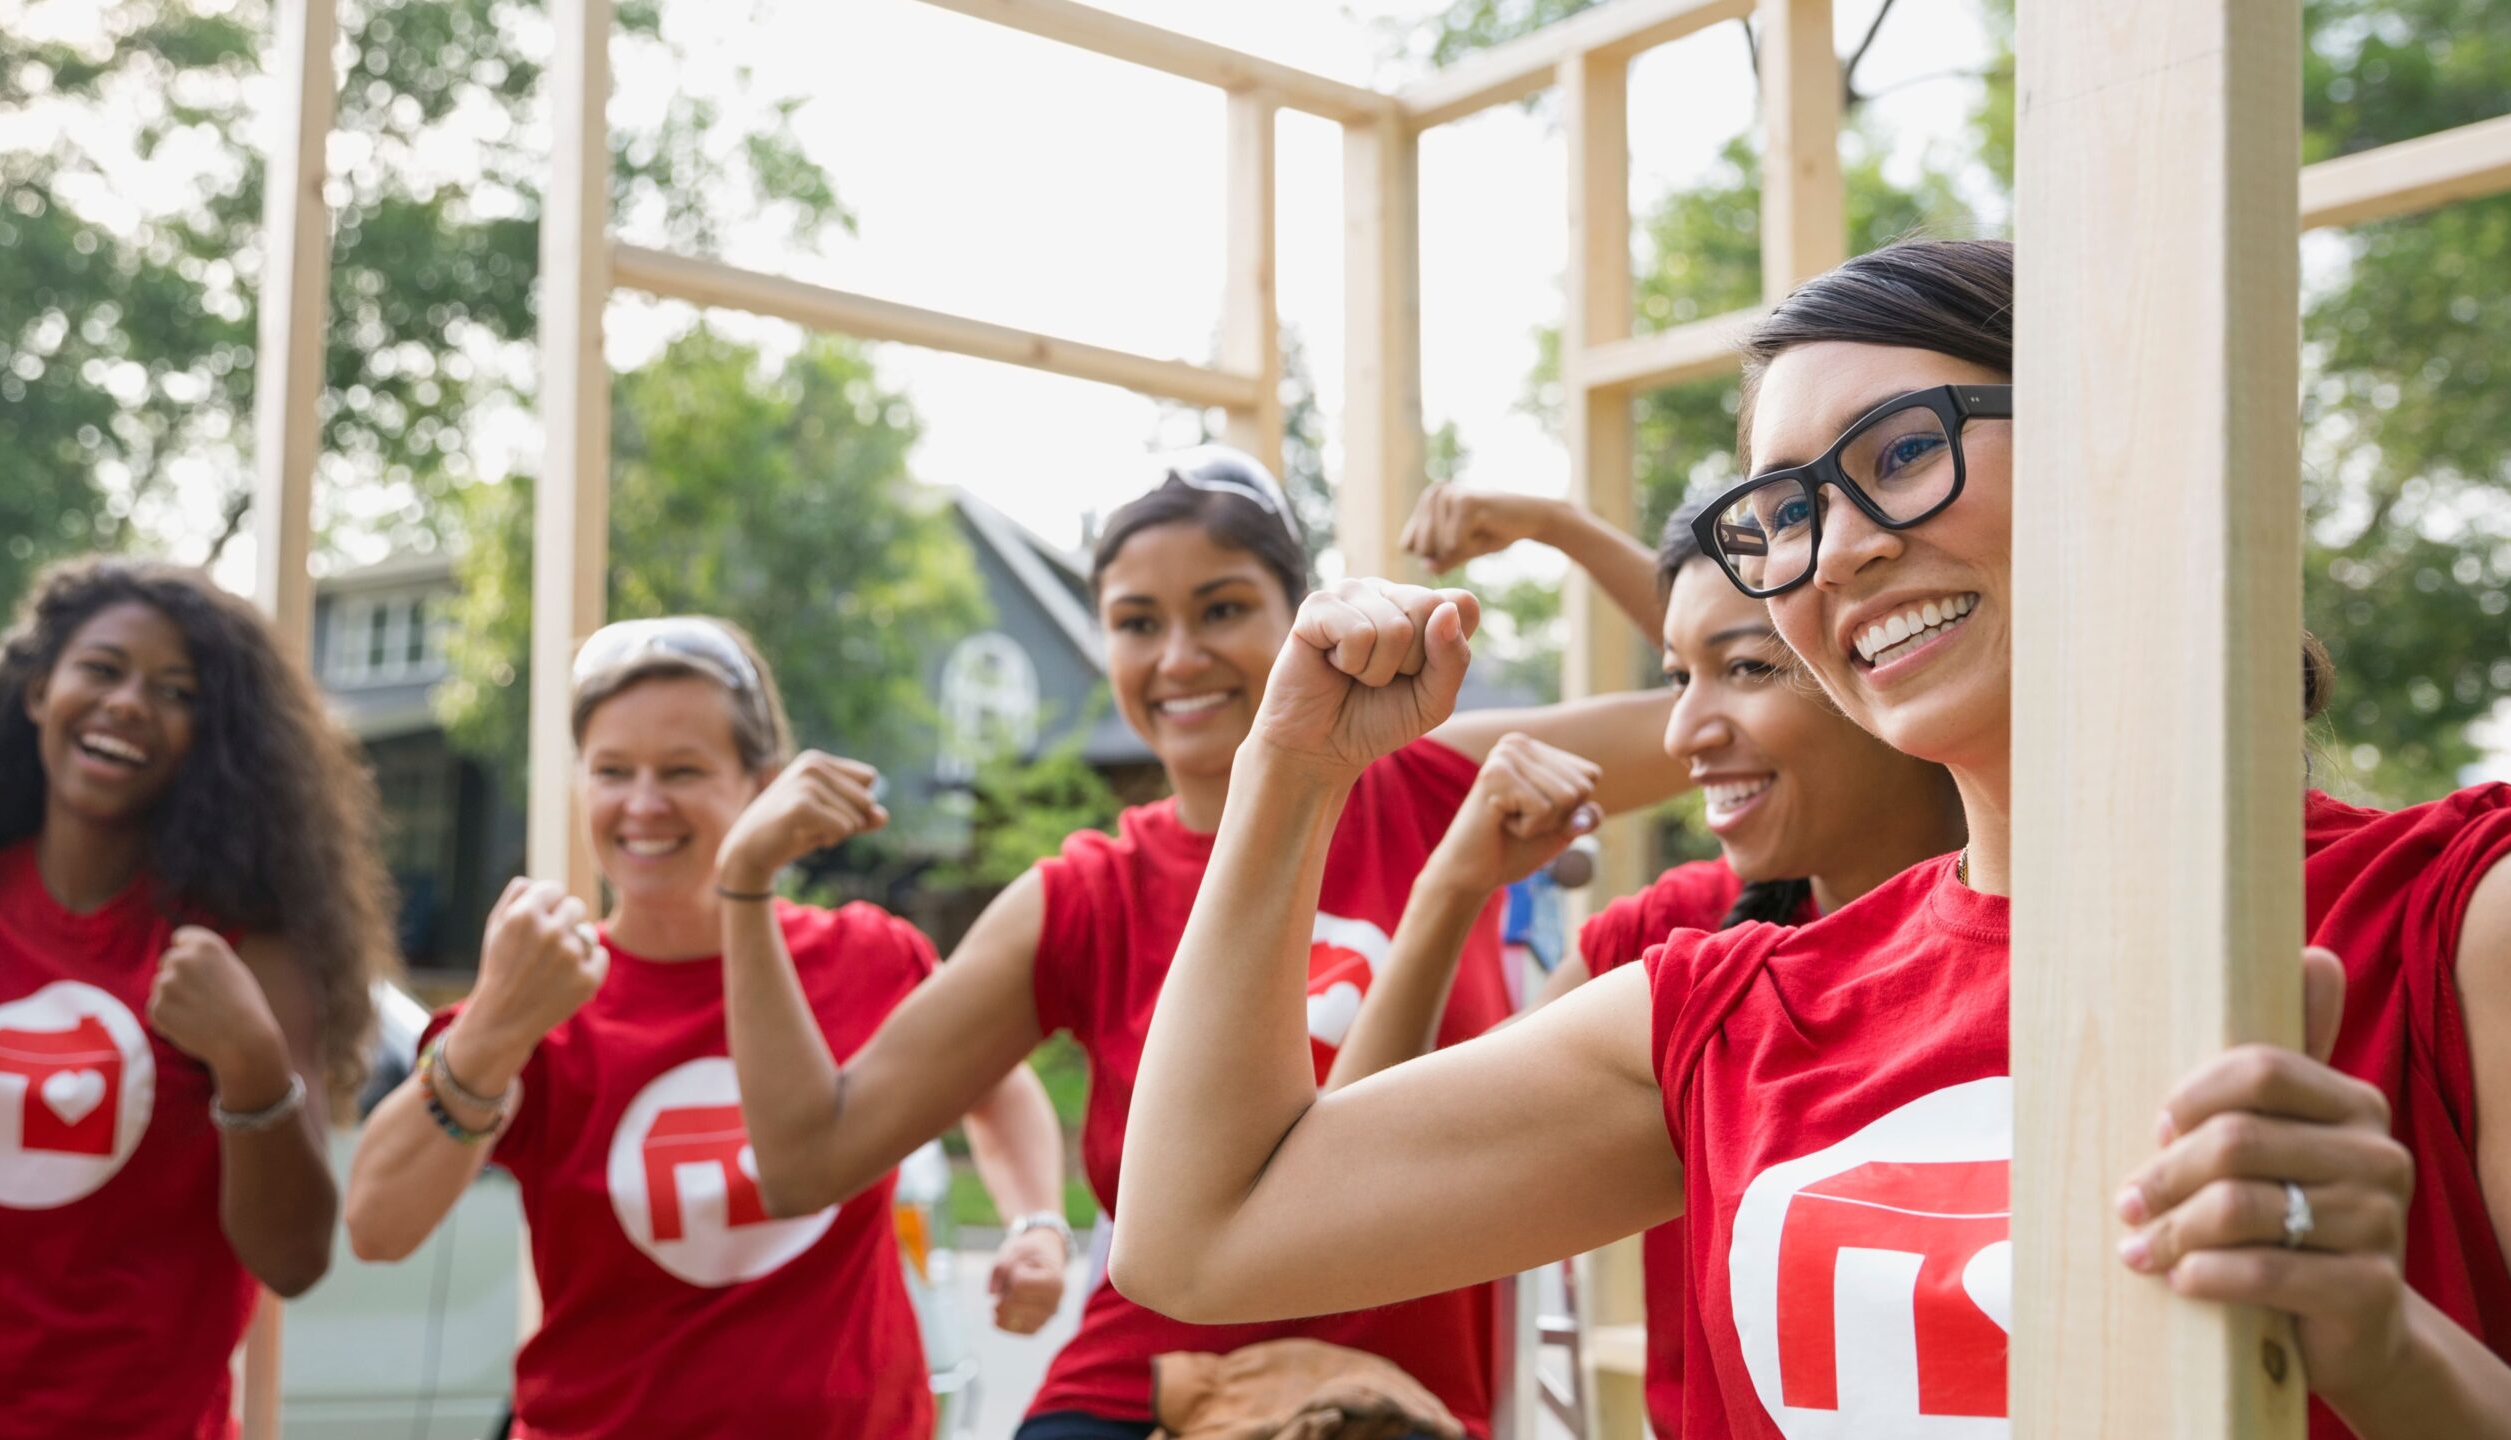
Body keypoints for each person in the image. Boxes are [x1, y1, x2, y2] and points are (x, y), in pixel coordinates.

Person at [1111, 239, 2511, 1440]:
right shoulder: (1730, 1016)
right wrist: (1289, 774)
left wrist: (2383, 1347)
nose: (1835, 550)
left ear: (2125, 438)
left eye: (1901, 452)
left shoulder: (2456, 919)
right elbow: (1201, 1232)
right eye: (1783, 510)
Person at [703, 446, 1692, 1440]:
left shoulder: (1437, 783)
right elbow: (808, 1160)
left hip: (1396, 1404)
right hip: (1140, 1394)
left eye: (1221, 609)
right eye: (1137, 623)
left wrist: (1556, 523)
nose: (1178, 657)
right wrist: (742, 889)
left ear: (1304, 613)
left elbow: (1732, 698)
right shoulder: (1084, 896)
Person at [343, 616, 1068, 1438]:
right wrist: (492, 1031)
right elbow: (376, 1224)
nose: (643, 805)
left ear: (762, 786)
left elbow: (997, 1088)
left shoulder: (864, 957)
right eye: (612, 771)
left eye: (682, 770)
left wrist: (1038, 1225)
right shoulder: (544, 984)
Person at [1335, 492, 1964, 1435]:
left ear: (1880, 657)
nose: (1679, 737)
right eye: (1674, 681)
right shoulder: (1677, 951)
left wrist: (1561, 526)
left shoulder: (2086, 930)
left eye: (1746, 668)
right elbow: (1353, 1187)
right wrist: (1447, 889)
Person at [0, 558, 396, 1440]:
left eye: (176, 692)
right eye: (102, 669)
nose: (127, 703)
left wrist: (251, 1063)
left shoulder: (244, 955)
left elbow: (296, 1259)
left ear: (213, 738)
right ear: (39, 691)